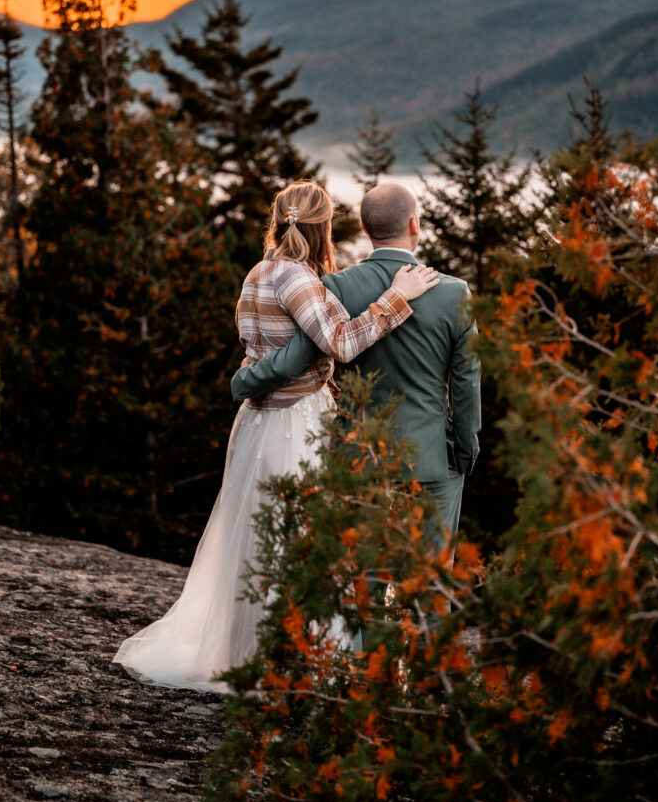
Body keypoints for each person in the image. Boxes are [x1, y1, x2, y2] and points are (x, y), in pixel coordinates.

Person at [112, 180, 438, 693]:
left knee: (255, 542)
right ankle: (290, 661)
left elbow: (255, 353)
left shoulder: (258, 272)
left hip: (258, 421)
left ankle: (249, 652)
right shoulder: (298, 280)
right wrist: (397, 298)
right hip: (294, 424)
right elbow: (342, 343)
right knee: (298, 540)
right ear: (322, 227)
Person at [231, 181, 482, 563]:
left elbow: (292, 356)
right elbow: (466, 383)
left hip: (356, 456)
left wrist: (245, 378)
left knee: (366, 578)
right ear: (415, 225)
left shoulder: (333, 287)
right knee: (431, 582)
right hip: (432, 459)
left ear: (365, 230)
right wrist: (463, 455)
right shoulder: (453, 292)